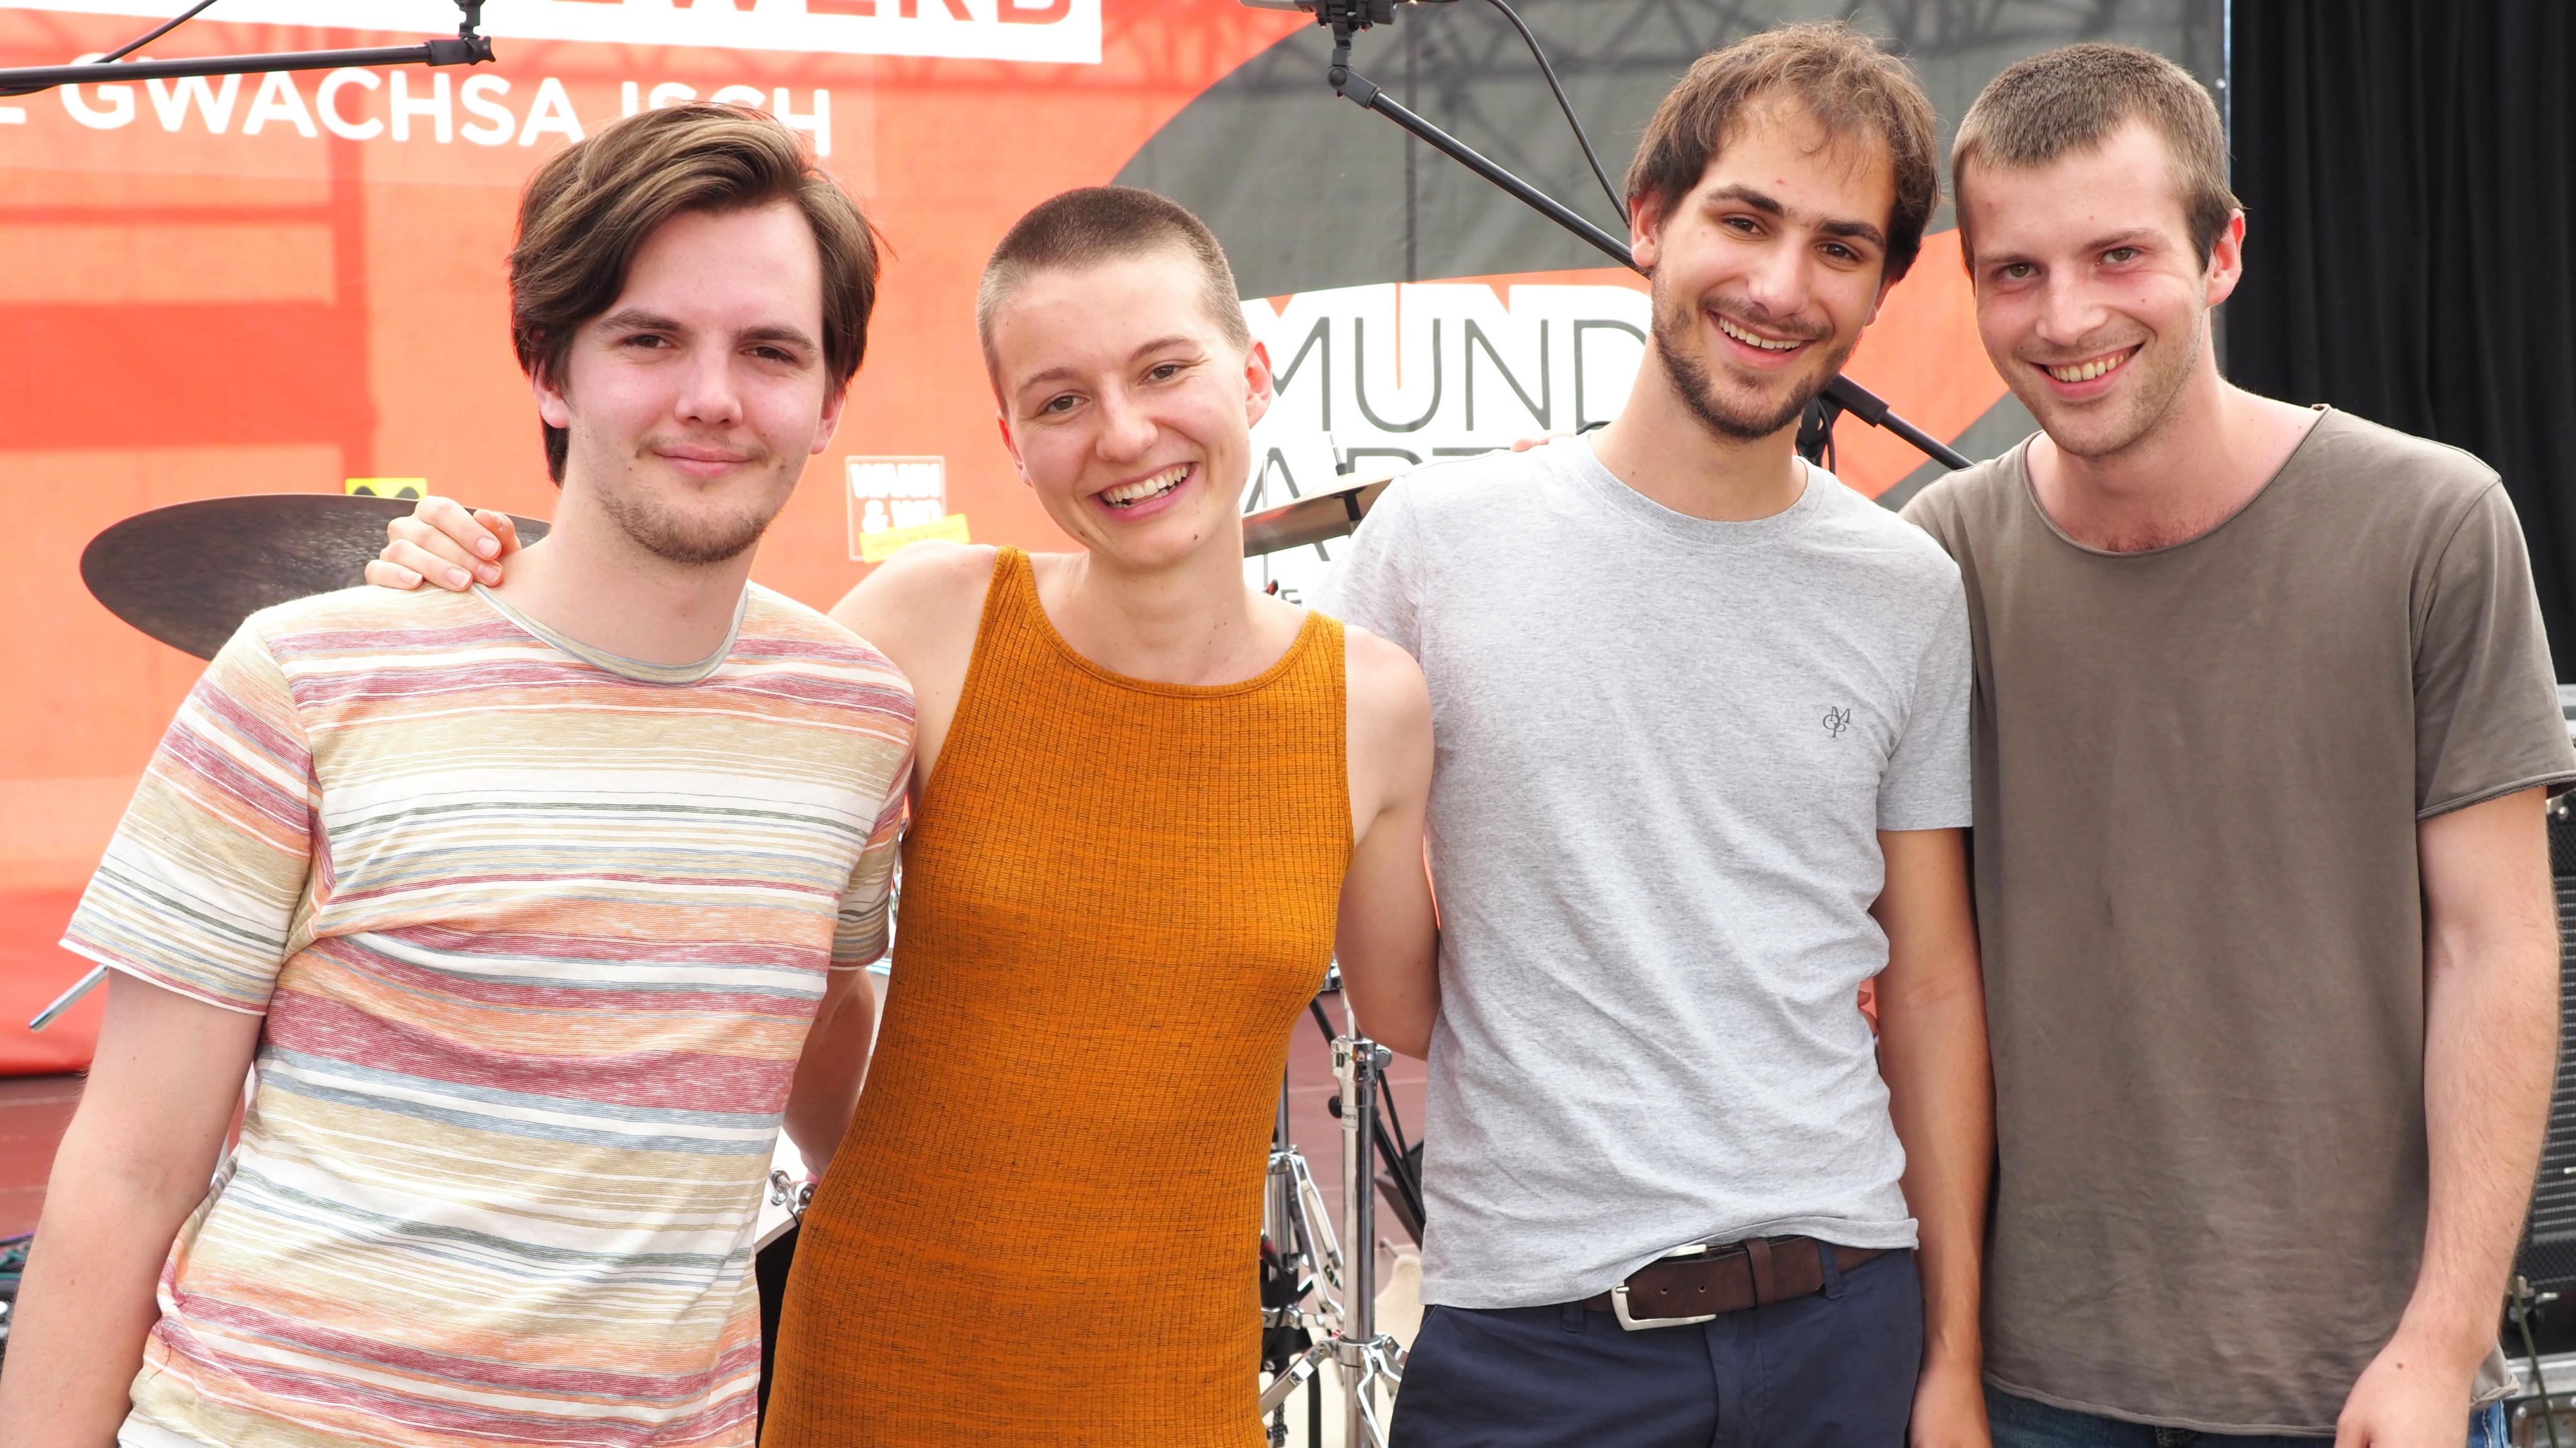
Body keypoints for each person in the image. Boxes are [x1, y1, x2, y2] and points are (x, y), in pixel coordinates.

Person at [367, 185, 1440, 1444]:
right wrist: (473, 578)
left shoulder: (1369, 705)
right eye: (1060, 401)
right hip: (873, 1357)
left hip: (1174, 1383)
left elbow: (1418, 1013)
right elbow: (658, 730)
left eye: (1164, 370)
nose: (1122, 432)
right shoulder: (934, 619)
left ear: (1251, 375)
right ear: (1011, 437)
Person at [0, 104, 916, 1447]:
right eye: (650, 339)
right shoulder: (307, 673)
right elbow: (128, 1169)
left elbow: (823, 1025)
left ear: (831, 399)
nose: (712, 396)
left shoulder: (857, 718)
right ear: (551, 367)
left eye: (770, 350)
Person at [1336, 23, 1994, 1448]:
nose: (1780, 286)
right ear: (1648, 220)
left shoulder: (1908, 588)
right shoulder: (1432, 545)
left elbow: (1932, 987)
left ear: (1881, 289)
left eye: (1839, 247)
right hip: (1529, 1343)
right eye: (1744, 220)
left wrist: (1950, 1360)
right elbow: (1394, 1001)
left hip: (1845, 1324)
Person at [1902, 44, 2566, 1448]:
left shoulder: (2432, 524)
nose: (2065, 315)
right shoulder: (1937, 558)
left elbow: (2496, 944)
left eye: (2118, 254)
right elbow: (1923, 982)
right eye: (2015, 270)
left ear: (2222, 253)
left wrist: (2442, 1342)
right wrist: (1950, 1358)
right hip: (2034, 1388)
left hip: (2359, 1382)